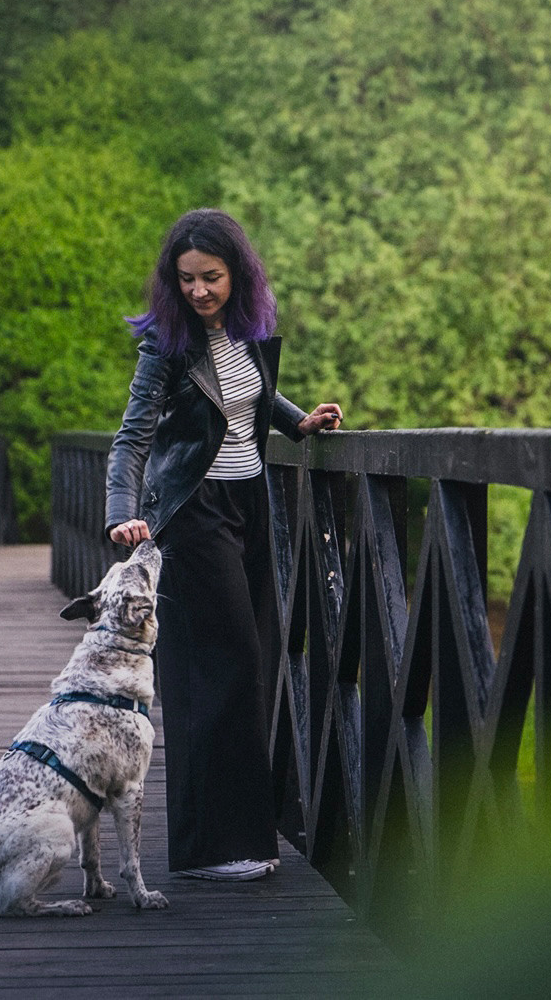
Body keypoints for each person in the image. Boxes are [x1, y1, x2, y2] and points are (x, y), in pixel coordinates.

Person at [102, 209, 342, 882]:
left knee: (254, 663)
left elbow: (247, 396)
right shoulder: (165, 347)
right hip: (191, 513)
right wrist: (124, 513)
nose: (199, 291)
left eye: (211, 277)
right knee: (222, 667)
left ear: (238, 274)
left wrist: (299, 420)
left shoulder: (248, 334)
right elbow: (131, 440)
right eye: (186, 280)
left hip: (251, 505)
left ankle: (246, 837)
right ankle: (215, 847)